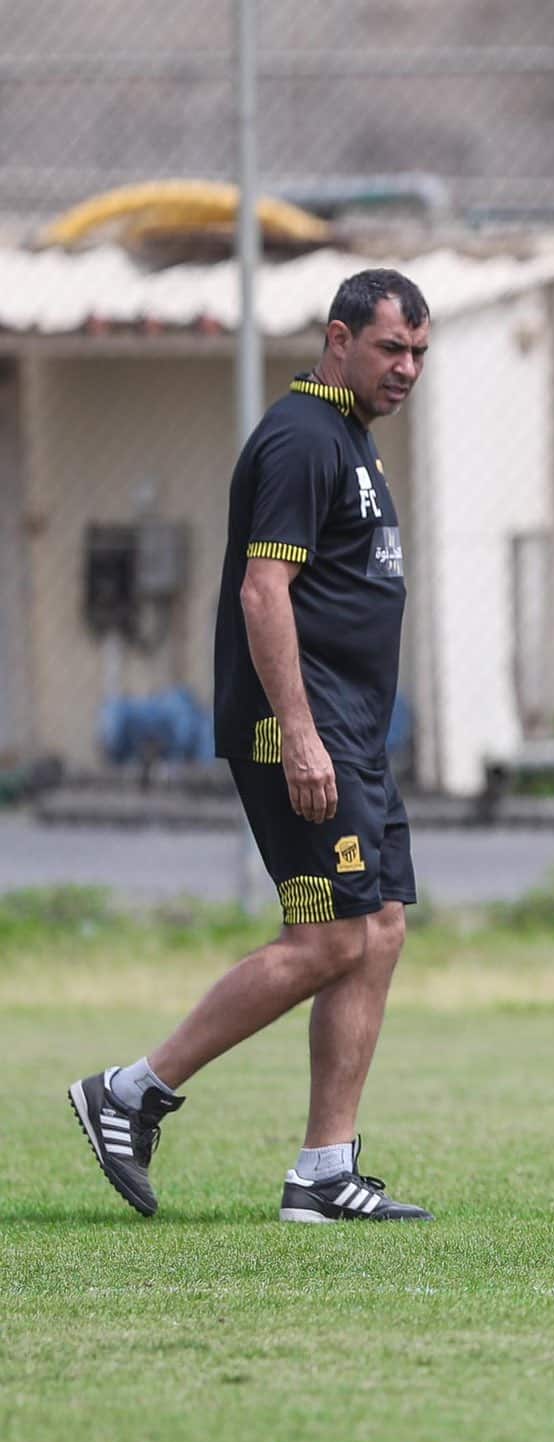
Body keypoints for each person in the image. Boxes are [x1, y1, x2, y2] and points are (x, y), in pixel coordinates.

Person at [67, 269, 435, 1225]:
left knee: (380, 930)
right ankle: (134, 1089)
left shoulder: (351, 440)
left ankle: (324, 1171)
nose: (407, 369)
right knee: (327, 940)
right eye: (392, 348)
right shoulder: (303, 438)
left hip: (353, 733)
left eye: (420, 353)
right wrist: (304, 738)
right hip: (300, 734)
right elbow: (262, 593)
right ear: (339, 338)